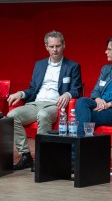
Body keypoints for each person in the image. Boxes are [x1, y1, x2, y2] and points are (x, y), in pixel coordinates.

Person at [7, 31, 82, 170]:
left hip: (55, 105)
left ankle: (43, 157)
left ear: (64, 45)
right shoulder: (39, 65)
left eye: (58, 46)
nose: (55, 50)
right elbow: (33, 88)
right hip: (36, 102)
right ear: (46, 47)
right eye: (51, 46)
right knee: (11, 116)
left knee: (43, 115)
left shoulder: (72, 66)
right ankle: (25, 156)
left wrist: (68, 94)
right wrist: (21, 93)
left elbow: (77, 89)